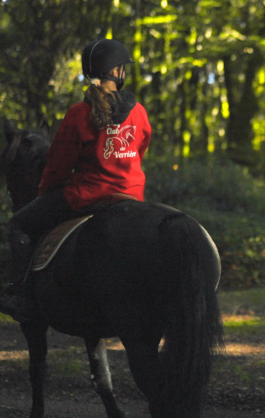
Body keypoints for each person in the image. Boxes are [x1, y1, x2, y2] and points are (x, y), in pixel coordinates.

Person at [0, 38, 152, 322]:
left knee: (18, 224)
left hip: (86, 196)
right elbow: (140, 151)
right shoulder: (139, 111)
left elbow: (58, 167)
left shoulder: (79, 114)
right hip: (132, 196)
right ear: (117, 72)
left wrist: (44, 193)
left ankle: (21, 295)